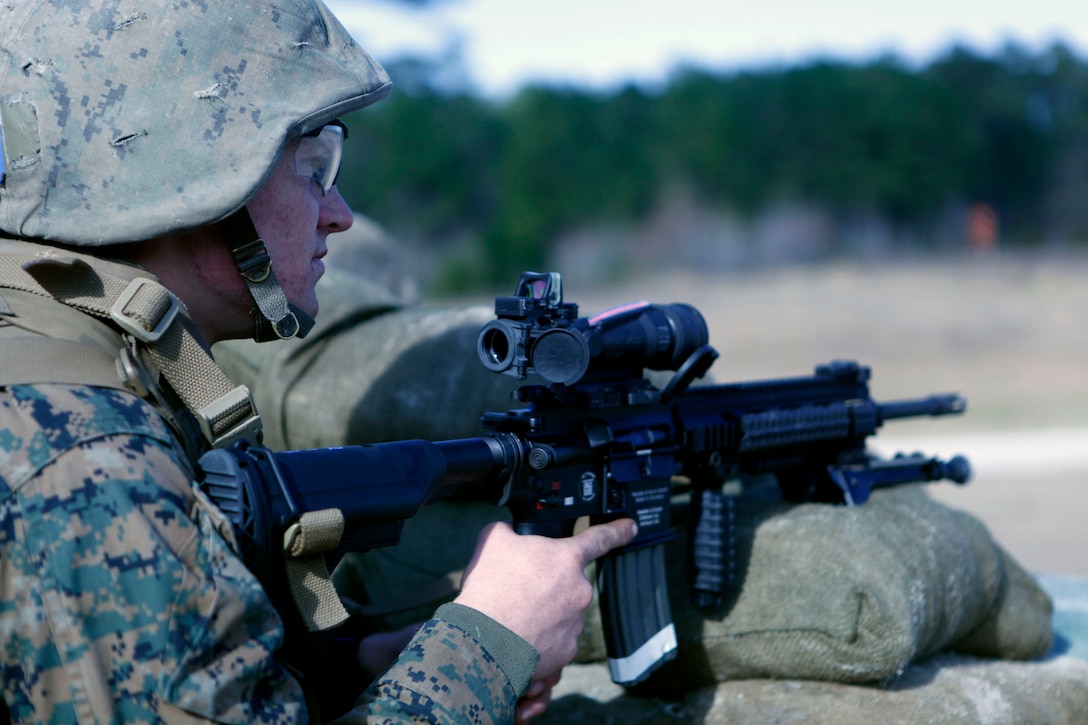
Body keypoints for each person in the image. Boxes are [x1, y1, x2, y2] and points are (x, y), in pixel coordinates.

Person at [0, 3, 635, 723]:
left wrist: (354, 667)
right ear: (203, 181)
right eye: (313, 167)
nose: (339, 213)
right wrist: (487, 644)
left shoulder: (63, 367)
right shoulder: (89, 464)